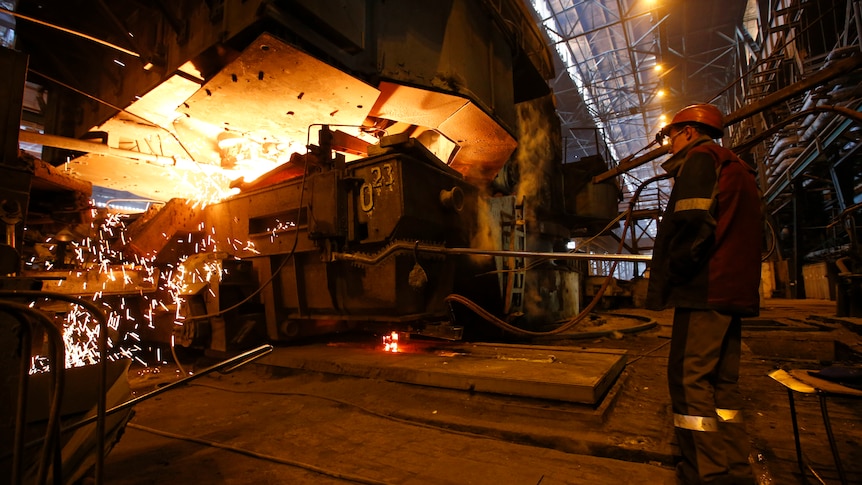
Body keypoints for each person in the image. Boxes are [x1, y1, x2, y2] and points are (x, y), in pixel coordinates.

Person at [645, 103, 762, 484]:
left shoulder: (700, 160)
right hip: (733, 291)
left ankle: (705, 473)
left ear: (690, 132)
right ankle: (734, 468)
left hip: (705, 289)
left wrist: (676, 273)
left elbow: (693, 224)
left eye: (671, 136)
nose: (668, 146)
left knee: (689, 381)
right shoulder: (739, 167)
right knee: (722, 385)